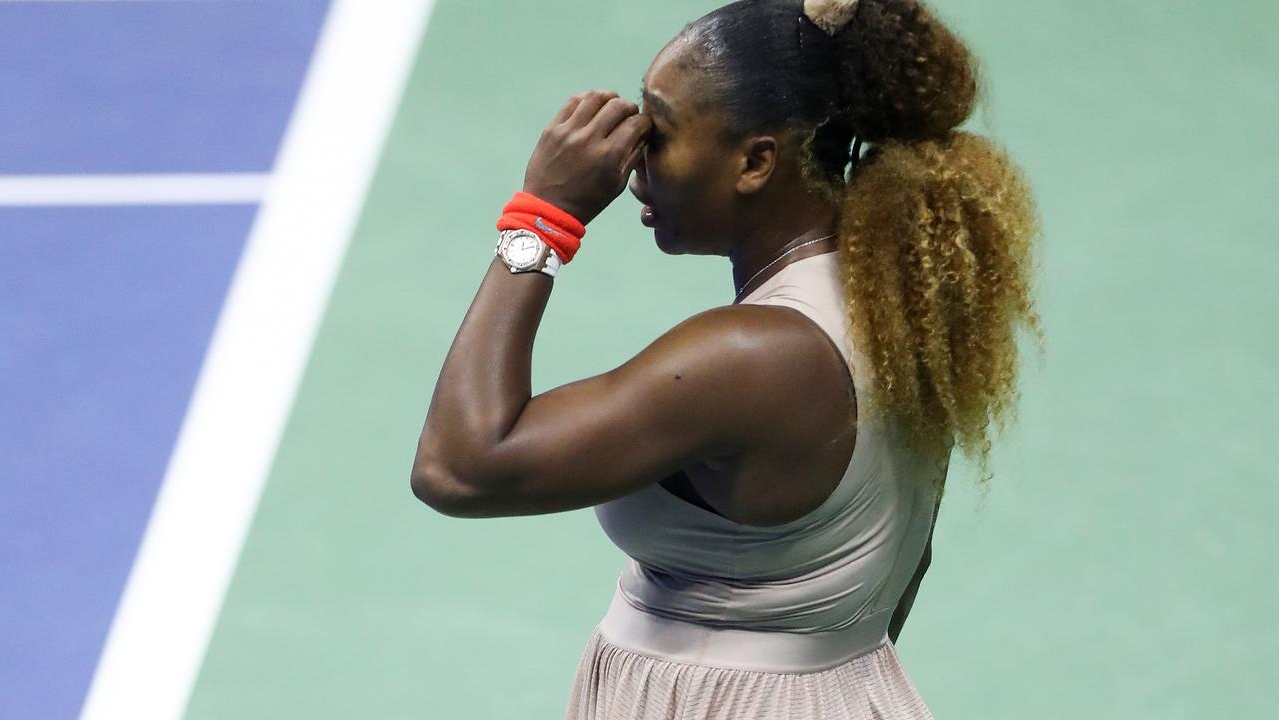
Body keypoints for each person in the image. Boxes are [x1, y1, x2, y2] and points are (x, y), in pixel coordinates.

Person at [411, 0, 1042, 716]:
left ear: (755, 162)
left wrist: (542, 215)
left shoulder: (752, 357)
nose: (633, 160)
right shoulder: (894, 304)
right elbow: (902, 566)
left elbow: (458, 467)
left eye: (661, 128)